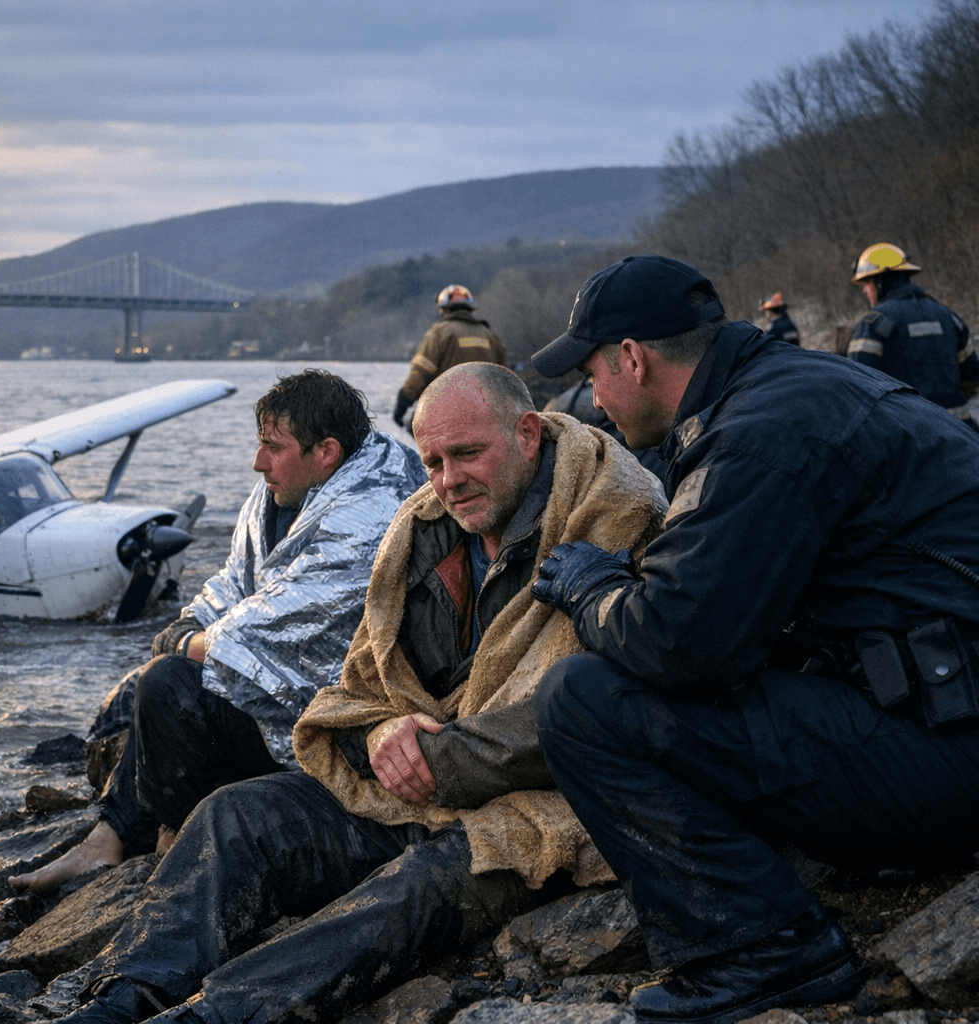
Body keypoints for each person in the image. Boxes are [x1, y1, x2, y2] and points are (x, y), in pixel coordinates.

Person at [53, 363, 667, 1024]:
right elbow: (358, 687)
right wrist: (376, 732)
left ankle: (213, 1015)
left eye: (467, 454)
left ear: (525, 434)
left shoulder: (617, 521)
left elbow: (599, 706)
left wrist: (433, 758)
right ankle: (120, 997)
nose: (448, 479)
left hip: (525, 807)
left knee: (410, 892)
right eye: (432, 460)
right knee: (234, 815)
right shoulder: (423, 529)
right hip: (407, 785)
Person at [527, 254, 979, 1024]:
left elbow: (682, 643)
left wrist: (589, 587)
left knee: (582, 700)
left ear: (632, 359)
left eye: (593, 373)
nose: (594, 401)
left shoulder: (761, 432)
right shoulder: (793, 385)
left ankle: (764, 949)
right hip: (947, 710)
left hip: (953, 757)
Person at [11, 369, 425, 891]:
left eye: (273, 448)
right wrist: (193, 620)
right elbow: (237, 582)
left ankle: (159, 840)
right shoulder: (280, 495)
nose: (258, 463)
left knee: (169, 680)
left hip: (336, 732)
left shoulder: (371, 513)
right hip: (292, 704)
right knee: (169, 676)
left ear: (326, 452)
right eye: (260, 445)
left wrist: (185, 642)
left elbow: (278, 623)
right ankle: (118, 834)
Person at [847, 242, 978, 426]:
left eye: (867, 282)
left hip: (912, 444)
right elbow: (972, 376)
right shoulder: (948, 317)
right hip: (962, 437)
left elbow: (856, 390)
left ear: (880, 282)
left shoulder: (873, 324)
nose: (864, 289)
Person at [392, 284, 507, 427]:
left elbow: (421, 372)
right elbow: (506, 377)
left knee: (413, 426)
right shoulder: (490, 336)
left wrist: (403, 402)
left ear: (443, 308)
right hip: (485, 411)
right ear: (469, 307)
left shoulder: (439, 333)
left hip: (448, 410)